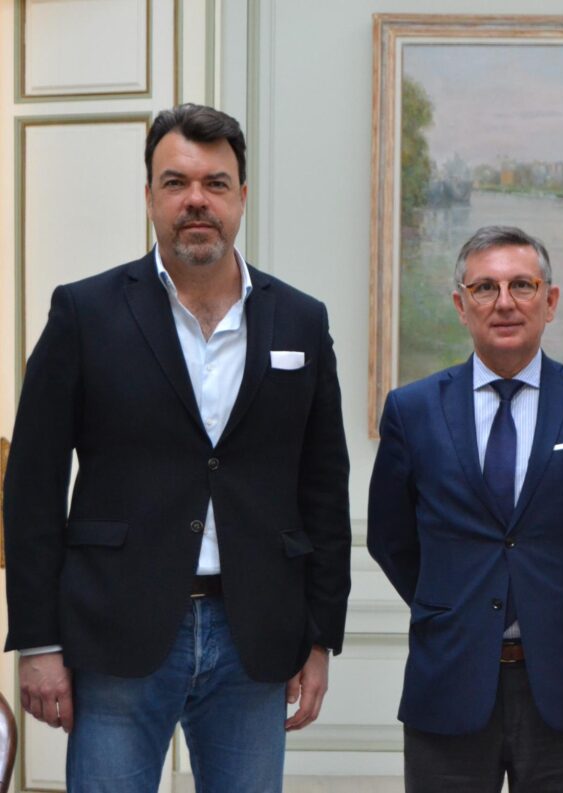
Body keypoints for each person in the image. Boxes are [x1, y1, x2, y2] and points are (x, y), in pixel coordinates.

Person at [3, 103, 351, 792]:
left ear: (241, 196)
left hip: (254, 634)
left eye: (215, 183)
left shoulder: (300, 320)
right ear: (149, 197)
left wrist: (320, 637)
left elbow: (324, 488)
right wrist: (38, 641)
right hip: (116, 629)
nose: (197, 200)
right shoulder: (84, 313)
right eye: (176, 182)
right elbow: (33, 486)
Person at [368, 225, 563, 792]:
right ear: (460, 305)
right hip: (448, 680)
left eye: (522, 285)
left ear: (551, 301)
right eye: (484, 288)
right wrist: (453, 604)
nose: (504, 303)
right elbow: (389, 539)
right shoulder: (412, 410)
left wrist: (559, 606)